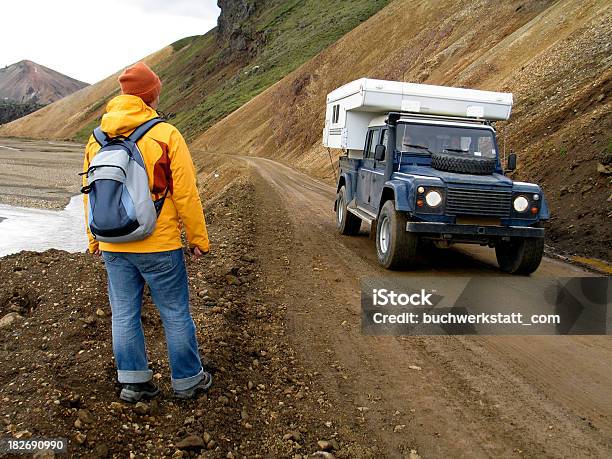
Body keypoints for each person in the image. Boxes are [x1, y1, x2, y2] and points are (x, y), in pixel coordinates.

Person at [82, 62, 212, 402]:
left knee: (124, 313)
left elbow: (90, 194)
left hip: (113, 243)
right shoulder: (165, 134)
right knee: (174, 312)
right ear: (150, 95)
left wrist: (94, 238)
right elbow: (186, 193)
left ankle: (134, 383)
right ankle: (187, 380)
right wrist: (198, 239)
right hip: (159, 242)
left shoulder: (96, 139)